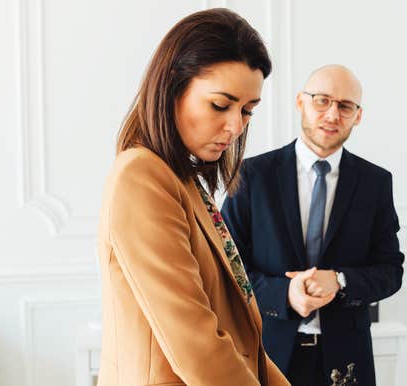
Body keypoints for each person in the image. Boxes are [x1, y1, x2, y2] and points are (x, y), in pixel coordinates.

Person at [97, 8, 289, 386]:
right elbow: (197, 345)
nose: (235, 126)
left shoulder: (182, 179)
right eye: (220, 105)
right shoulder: (142, 176)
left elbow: (235, 336)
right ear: (172, 87)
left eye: (248, 111)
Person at [221, 64, 404, 386]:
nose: (332, 114)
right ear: (300, 102)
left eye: (345, 106)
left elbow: (391, 272)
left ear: (357, 116)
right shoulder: (251, 175)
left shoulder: (375, 183)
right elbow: (225, 269)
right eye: (322, 100)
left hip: (347, 362)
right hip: (266, 354)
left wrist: (341, 281)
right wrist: (285, 294)